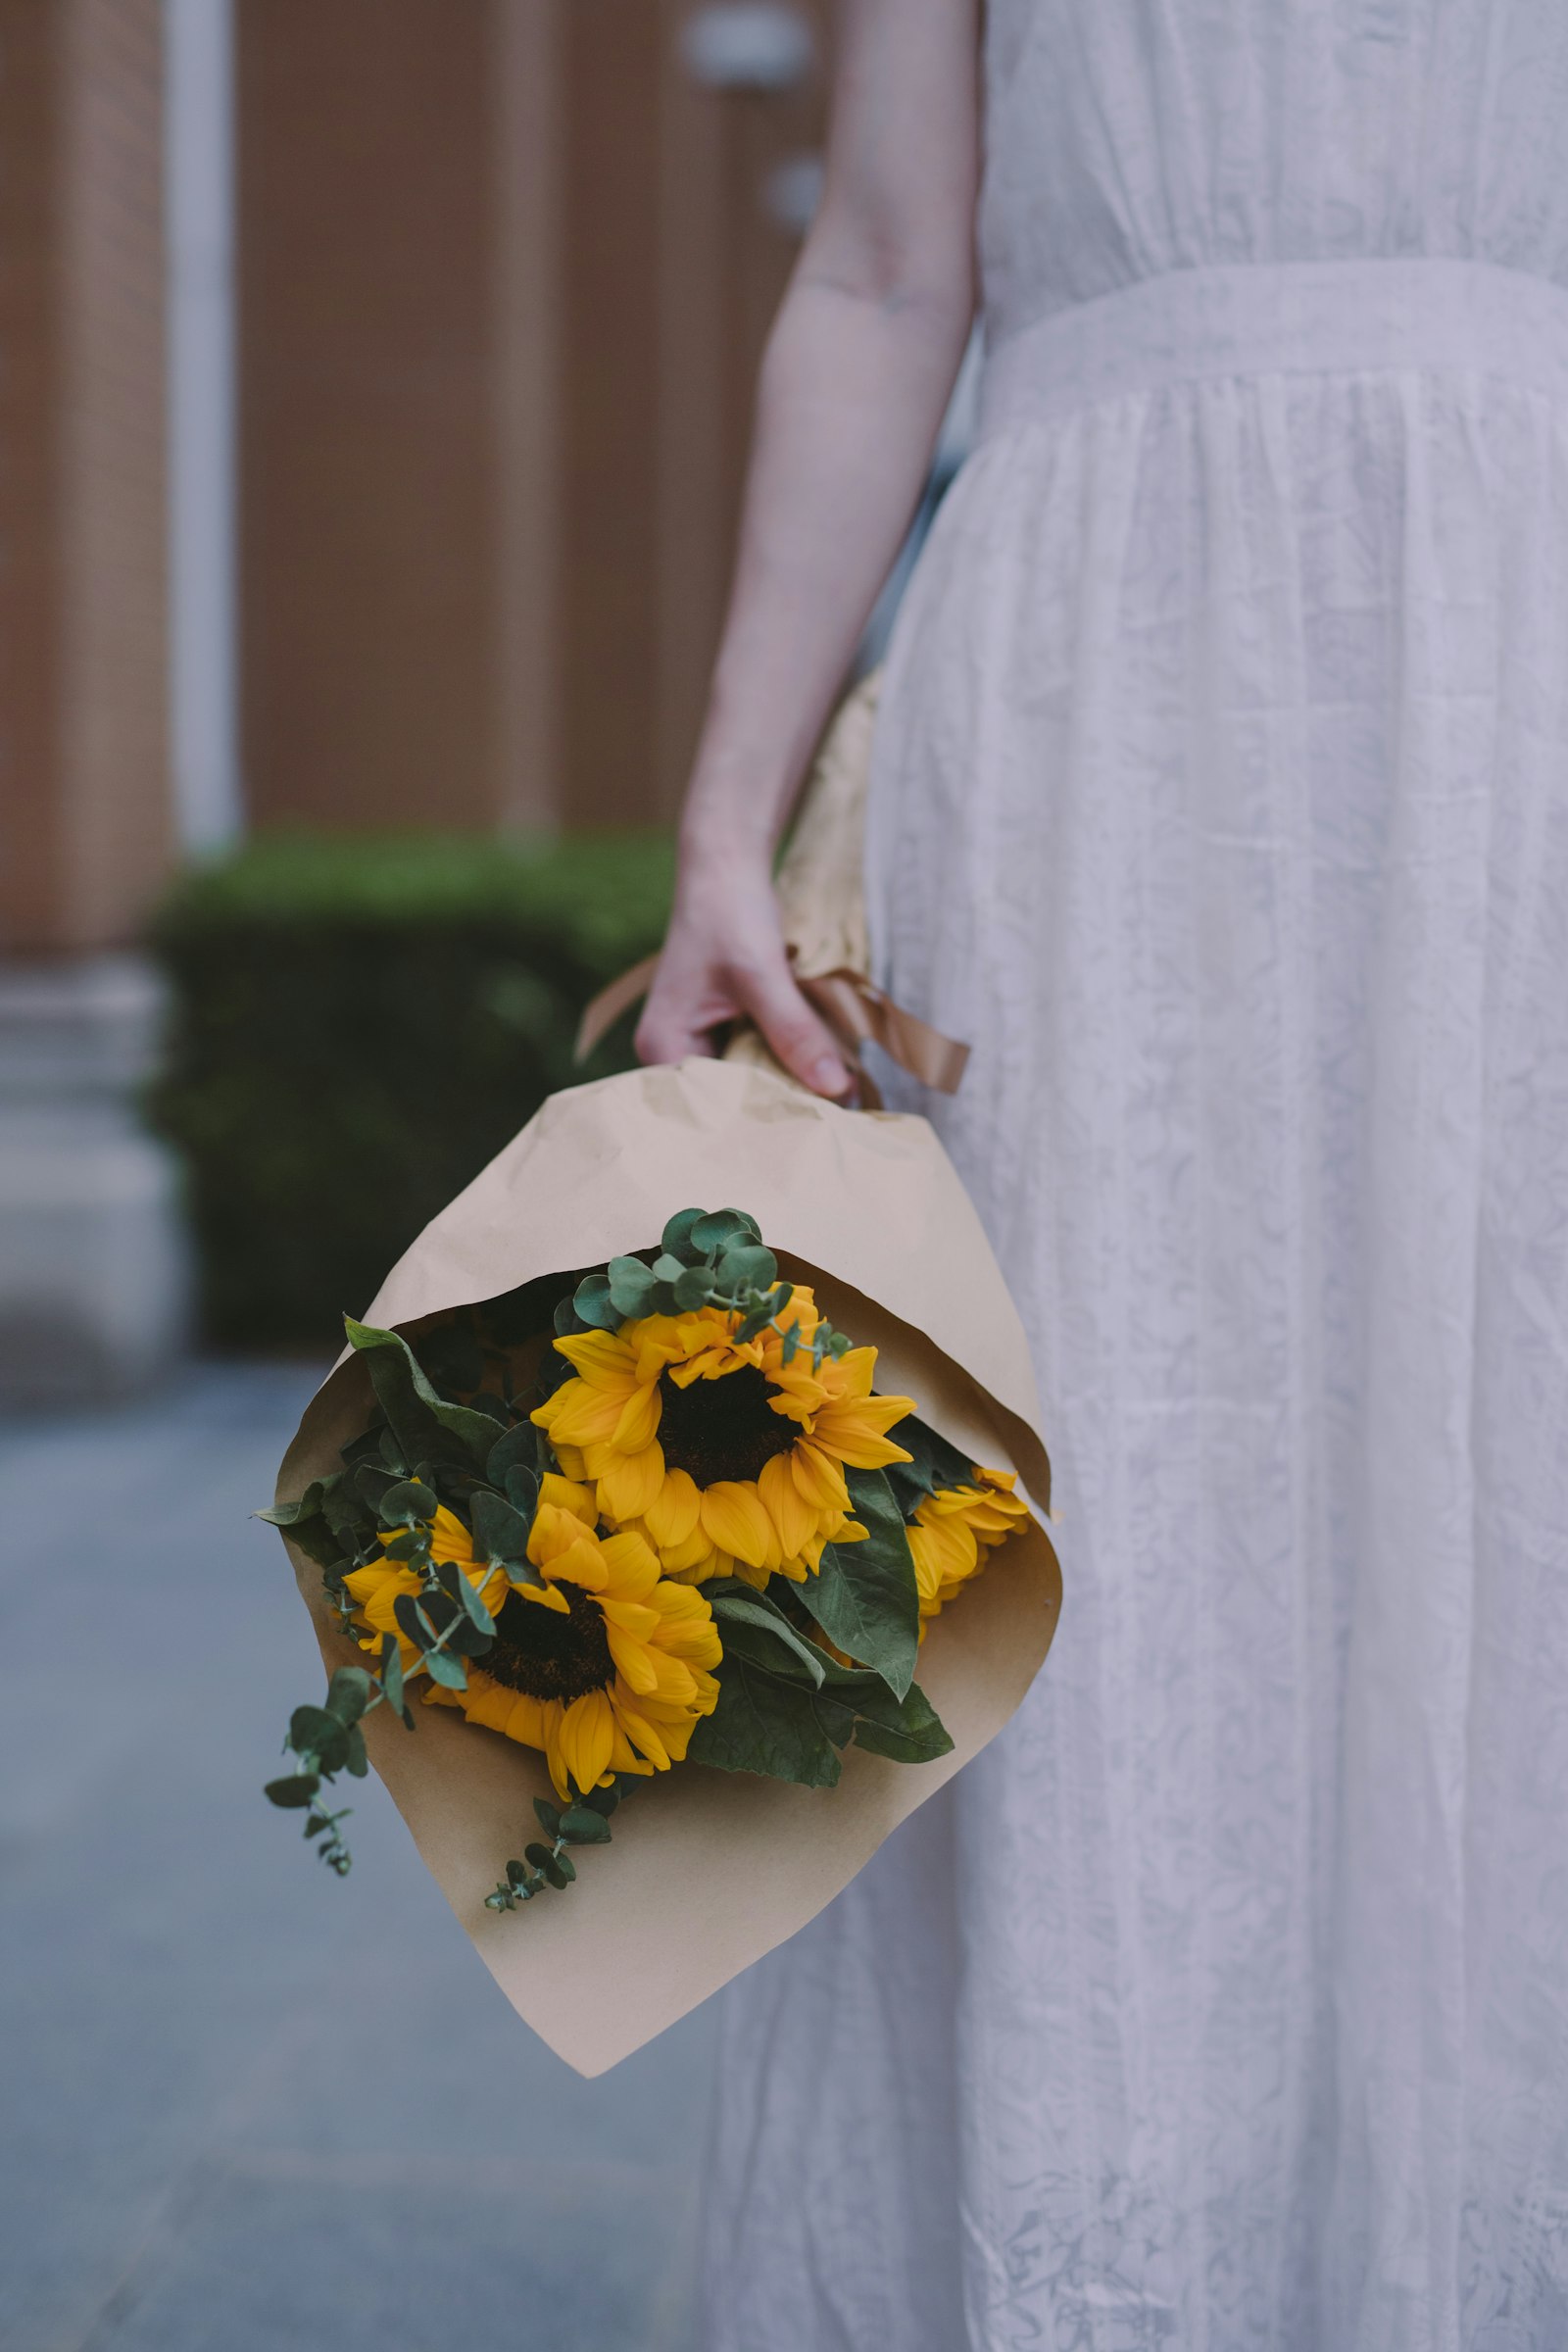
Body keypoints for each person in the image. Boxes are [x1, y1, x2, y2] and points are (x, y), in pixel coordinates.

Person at [637, 4, 1568, 2346]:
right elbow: (875, 263)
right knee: (1095, 1531)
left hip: (1520, 664)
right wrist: (727, 816)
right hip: (1091, 702)